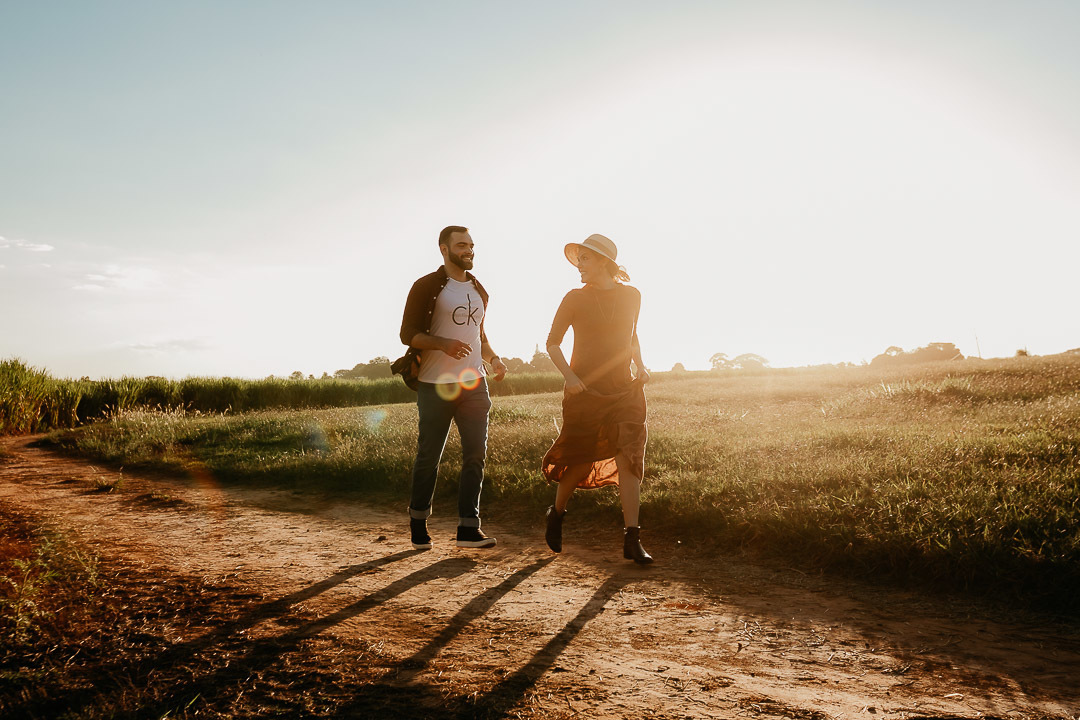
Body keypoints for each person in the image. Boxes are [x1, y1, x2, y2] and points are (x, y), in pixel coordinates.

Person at [541, 233, 653, 564]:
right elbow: (552, 343)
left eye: (585, 260)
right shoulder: (574, 298)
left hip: (624, 391)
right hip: (584, 393)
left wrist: (641, 366)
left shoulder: (632, 296)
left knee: (628, 457)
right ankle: (557, 513)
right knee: (578, 462)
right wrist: (570, 378)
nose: (579, 266)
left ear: (604, 261)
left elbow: (631, 336)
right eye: (579, 260)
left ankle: (632, 538)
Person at [395, 225, 508, 550]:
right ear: (444, 249)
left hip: (474, 384)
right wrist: (441, 344)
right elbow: (408, 334)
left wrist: (494, 359)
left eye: (471, 245)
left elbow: (479, 335)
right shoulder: (427, 286)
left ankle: (468, 528)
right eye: (461, 245)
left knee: (475, 456)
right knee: (429, 456)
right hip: (435, 385)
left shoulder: (478, 289)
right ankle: (419, 522)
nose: (469, 250)